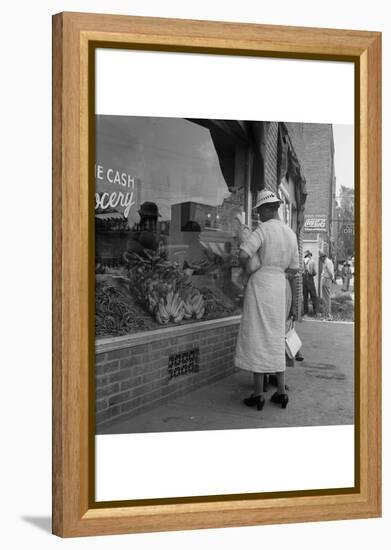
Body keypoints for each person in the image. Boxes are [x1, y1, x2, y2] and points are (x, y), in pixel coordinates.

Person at [234, 189, 299, 411]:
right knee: (275, 337)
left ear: (269, 208)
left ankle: (258, 394)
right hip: (279, 286)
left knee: (258, 336)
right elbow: (294, 268)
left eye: (260, 209)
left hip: (260, 285)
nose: (259, 214)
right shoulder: (290, 234)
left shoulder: (262, 230)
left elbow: (244, 253)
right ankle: (280, 393)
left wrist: (247, 268)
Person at [320, 251, 335, 320]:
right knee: (325, 298)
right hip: (326, 279)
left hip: (326, 279)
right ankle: (325, 314)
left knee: (326, 298)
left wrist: (332, 279)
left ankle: (328, 315)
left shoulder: (327, 262)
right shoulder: (327, 261)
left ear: (323, 257)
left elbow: (329, 271)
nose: (320, 260)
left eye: (321, 258)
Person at [303, 250, 318, 316]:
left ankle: (305, 311)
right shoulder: (312, 261)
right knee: (313, 295)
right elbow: (314, 272)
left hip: (304, 279)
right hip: (310, 278)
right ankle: (315, 311)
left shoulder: (303, 262)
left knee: (305, 296)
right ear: (310, 255)